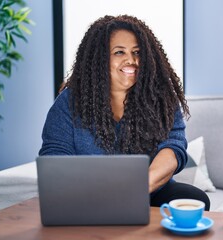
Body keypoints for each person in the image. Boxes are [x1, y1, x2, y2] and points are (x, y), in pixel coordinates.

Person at [39, 15, 210, 210]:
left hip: (147, 190)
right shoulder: (69, 101)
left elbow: (173, 148)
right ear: (99, 58)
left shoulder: (161, 98)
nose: (132, 60)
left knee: (194, 199)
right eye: (119, 52)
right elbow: (54, 156)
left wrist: (135, 189)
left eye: (137, 52)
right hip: (88, 193)